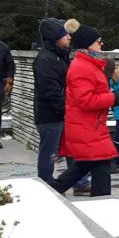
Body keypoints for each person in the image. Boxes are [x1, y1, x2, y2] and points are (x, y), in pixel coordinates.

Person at [51, 22, 119, 197]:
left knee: (85, 164)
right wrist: (113, 98)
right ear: (89, 44)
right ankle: (102, 204)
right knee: (101, 165)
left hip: (90, 126)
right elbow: (85, 100)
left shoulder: (89, 64)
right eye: (98, 41)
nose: (101, 44)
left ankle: (52, 191)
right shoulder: (82, 66)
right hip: (87, 127)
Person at [33, 18, 77, 184]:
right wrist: (65, 107)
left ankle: (78, 181)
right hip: (50, 115)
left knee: (72, 148)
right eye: (65, 35)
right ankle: (46, 183)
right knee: (49, 152)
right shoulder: (45, 59)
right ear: (54, 37)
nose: (69, 38)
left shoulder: (60, 56)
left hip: (63, 112)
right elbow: (49, 91)